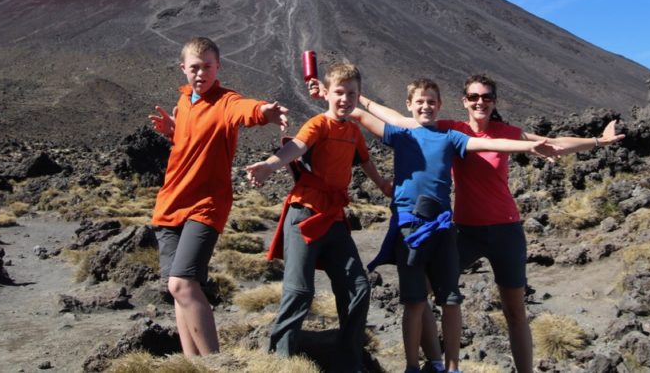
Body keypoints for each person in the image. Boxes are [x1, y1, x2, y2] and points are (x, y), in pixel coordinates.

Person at [359, 74, 624, 373]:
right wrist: (359, 99)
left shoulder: (506, 132)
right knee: (421, 292)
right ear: (464, 102)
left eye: (486, 97)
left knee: (514, 310)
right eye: (474, 97)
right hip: (464, 232)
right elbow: (399, 119)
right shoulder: (450, 129)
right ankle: (435, 362)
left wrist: (600, 141)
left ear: (494, 101)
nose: (480, 102)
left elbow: (553, 145)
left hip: (505, 230)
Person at [341, 77, 558, 373]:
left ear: (440, 105)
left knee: (450, 298)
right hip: (413, 228)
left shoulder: (450, 136)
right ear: (409, 105)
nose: (426, 107)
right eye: (419, 102)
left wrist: (529, 147)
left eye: (431, 102)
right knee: (416, 298)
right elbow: (360, 114)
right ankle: (422, 364)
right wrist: (339, 94)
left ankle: (449, 366)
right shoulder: (403, 135)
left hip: (447, 227)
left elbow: (485, 143)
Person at [245, 62, 392, 372]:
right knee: (299, 291)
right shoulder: (317, 124)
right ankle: (280, 360)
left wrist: (381, 184)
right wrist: (271, 165)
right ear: (327, 93)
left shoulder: (353, 131)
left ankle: (350, 359)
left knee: (358, 288)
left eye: (351, 93)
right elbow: (296, 146)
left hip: (335, 218)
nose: (345, 99)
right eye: (339, 92)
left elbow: (364, 160)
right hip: (304, 215)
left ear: (358, 95)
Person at [148, 36, 289, 357]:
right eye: (195, 67)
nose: (201, 73)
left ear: (218, 67)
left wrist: (266, 111)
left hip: (206, 206)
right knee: (177, 289)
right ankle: (192, 364)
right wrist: (174, 129)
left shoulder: (225, 101)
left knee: (183, 284)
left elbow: (246, 110)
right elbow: (190, 138)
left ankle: (215, 363)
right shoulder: (184, 102)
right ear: (183, 68)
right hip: (171, 203)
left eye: (207, 67)